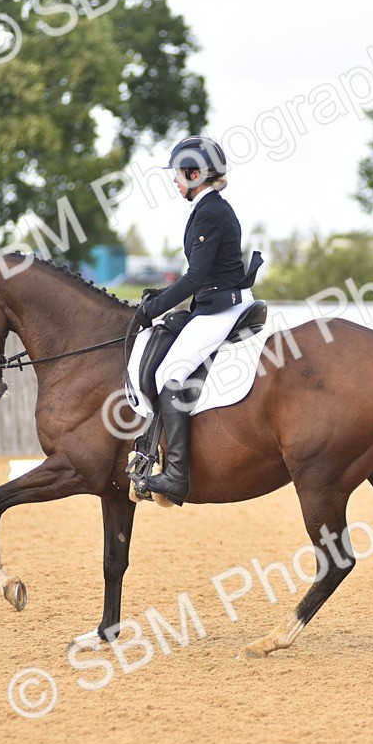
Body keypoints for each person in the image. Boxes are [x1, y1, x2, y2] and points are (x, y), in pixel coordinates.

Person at [133, 136, 262, 504]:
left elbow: (194, 278)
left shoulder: (210, 212)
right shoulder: (208, 208)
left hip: (222, 308)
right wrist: (159, 297)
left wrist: (152, 309)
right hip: (215, 302)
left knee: (168, 373)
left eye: (178, 173)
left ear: (195, 174)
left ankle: (176, 474)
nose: (174, 180)